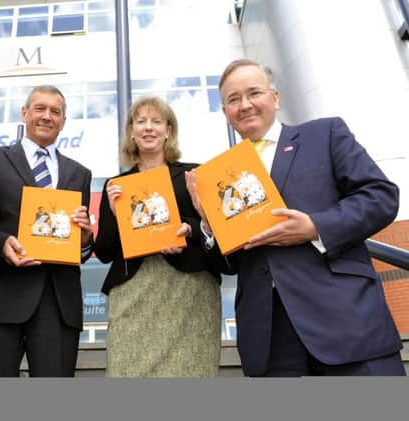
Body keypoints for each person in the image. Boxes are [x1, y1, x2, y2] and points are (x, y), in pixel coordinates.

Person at [186, 58, 404, 376]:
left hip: (345, 322)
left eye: (254, 93)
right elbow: (231, 264)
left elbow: (381, 196)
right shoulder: (219, 176)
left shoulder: (325, 134)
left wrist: (316, 227)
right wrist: (209, 224)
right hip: (270, 336)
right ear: (225, 113)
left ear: (274, 98)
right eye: (233, 99)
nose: (244, 105)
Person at [93, 97, 229, 377]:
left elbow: (216, 225)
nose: (148, 128)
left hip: (189, 292)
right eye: (140, 121)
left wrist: (189, 229)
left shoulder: (194, 175)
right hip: (133, 293)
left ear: (169, 130)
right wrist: (113, 212)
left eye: (156, 121)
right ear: (131, 131)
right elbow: (105, 252)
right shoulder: (116, 186)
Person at [0, 85, 93, 377]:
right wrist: (0, 245)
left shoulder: (80, 174)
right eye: (39, 108)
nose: (47, 116)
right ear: (24, 113)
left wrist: (85, 239)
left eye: (55, 112)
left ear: (63, 121)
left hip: (58, 305)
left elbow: (80, 249)